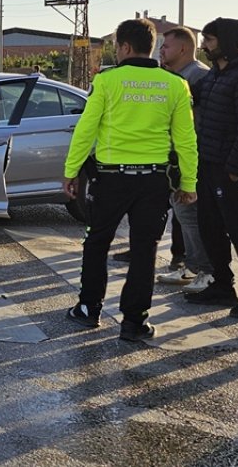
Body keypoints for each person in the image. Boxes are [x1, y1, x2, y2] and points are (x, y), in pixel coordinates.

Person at [62, 18, 197, 342]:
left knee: (97, 243)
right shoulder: (175, 84)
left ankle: (89, 309)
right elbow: (186, 139)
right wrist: (189, 183)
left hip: (111, 180)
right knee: (144, 250)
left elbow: (86, 130)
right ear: (150, 46)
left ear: (123, 47)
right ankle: (134, 322)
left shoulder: (108, 82)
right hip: (153, 182)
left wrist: (71, 171)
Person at [185, 18, 238, 319]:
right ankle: (223, 284)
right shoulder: (214, 76)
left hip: (230, 170)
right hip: (207, 165)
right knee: (210, 228)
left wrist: (234, 169)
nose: (205, 45)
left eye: (210, 39)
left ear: (229, 41)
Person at [154, 27, 213, 290]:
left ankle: (207, 271)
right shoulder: (175, 76)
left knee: (192, 217)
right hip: (177, 160)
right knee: (183, 215)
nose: (161, 50)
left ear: (183, 49)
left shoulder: (199, 77)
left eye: (165, 46)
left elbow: (201, 124)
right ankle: (190, 267)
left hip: (194, 159)